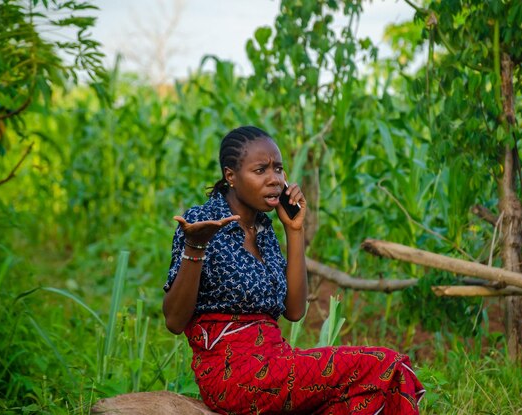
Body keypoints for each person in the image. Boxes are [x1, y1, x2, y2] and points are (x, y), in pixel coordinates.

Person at [163, 126, 425, 414]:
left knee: (372, 395)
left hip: (276, 361)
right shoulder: (201, 220)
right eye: (261, 170)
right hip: (233, 375)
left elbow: (295, 311)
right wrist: (195, 247)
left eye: (278, 169)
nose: (274, 179)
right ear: (231, 176)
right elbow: (175, 321)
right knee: (386, 364)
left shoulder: (264, 229)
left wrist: (294, 229)